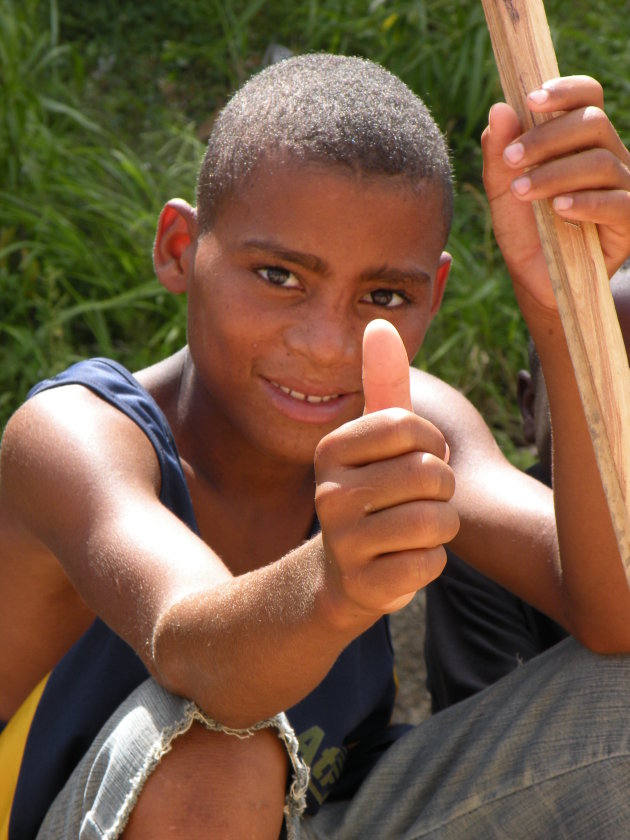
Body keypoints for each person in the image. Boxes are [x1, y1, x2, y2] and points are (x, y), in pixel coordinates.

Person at [1, 53, 630, 839]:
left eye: (384, 295)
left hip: (327, 819)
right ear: (179, 248)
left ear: (431, 298)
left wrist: (561, 304)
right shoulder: (77, 436)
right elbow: (191, 647)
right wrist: (335, 583)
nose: (327, 344)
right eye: (278, 275)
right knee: (222, 737)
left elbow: (617, 616)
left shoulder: (407, 417)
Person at [425, 265, 630, 713]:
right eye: (593, 393)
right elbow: (490, 739)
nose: (620, 429)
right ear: (528, 405)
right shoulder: (489, 538)